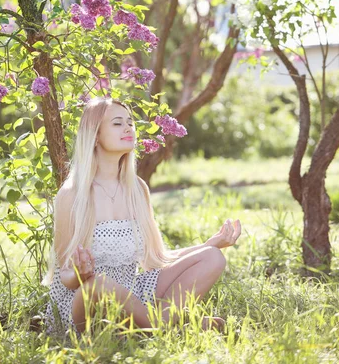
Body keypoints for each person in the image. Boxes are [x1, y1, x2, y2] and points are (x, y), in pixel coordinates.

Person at [43, 96, 241, 337]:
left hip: (132, 292)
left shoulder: (137, 189)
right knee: (99, 283)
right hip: (83, 301)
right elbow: (63, 276)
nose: (128, 128)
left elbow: (156, 259)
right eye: (117, 123)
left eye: (130, 122)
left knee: (213, 258)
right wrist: (79, 273)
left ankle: (145, 329)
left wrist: (211, 245)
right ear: (95, 135)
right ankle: (166, 327)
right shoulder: (71, 194)